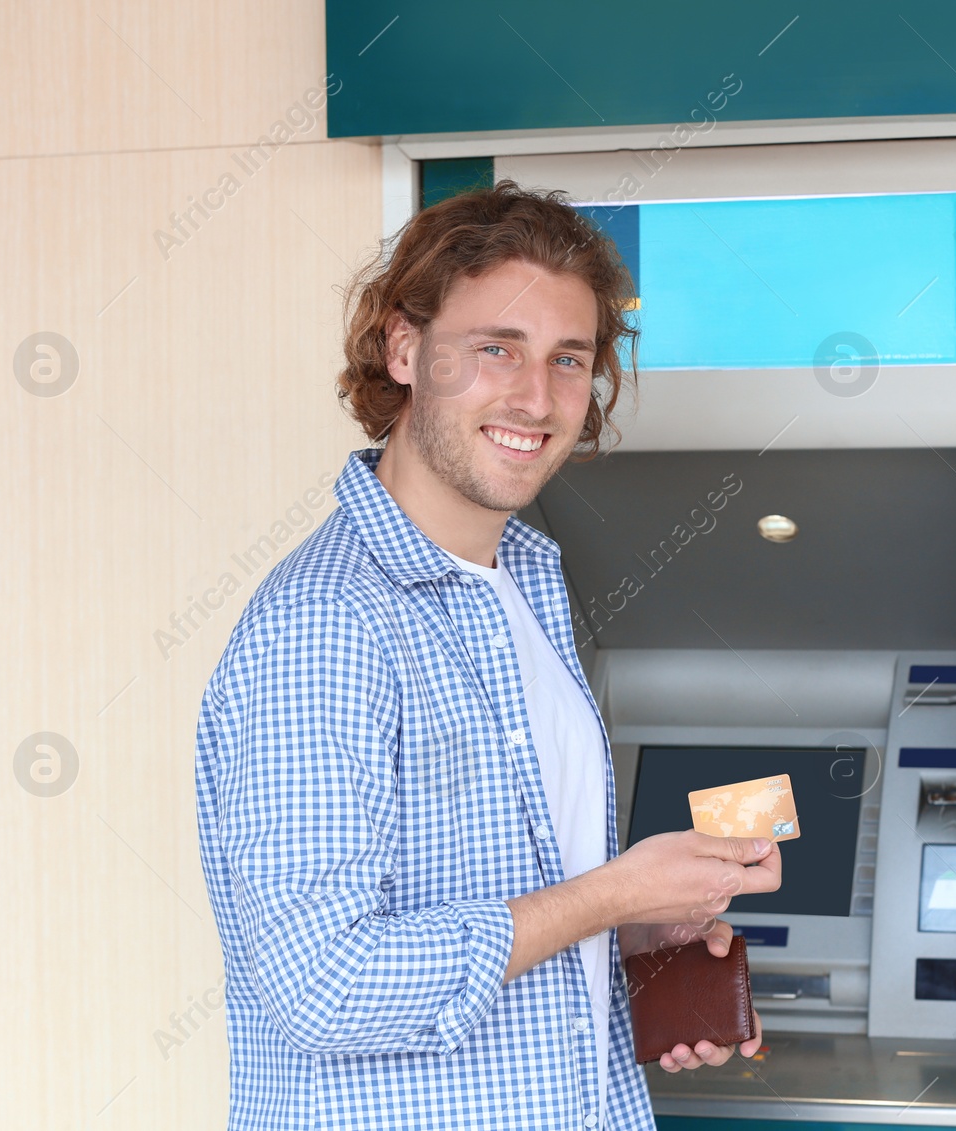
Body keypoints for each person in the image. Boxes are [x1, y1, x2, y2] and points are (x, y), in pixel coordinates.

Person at [194, 178, 782, 1130]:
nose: (534, 395)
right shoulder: (328, 624)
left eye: (567, 359)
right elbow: (321, 984)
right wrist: (608, 893)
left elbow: (512, 904)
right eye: (495, 349)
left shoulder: (524, 586)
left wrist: (633, 937)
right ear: (404, 348)